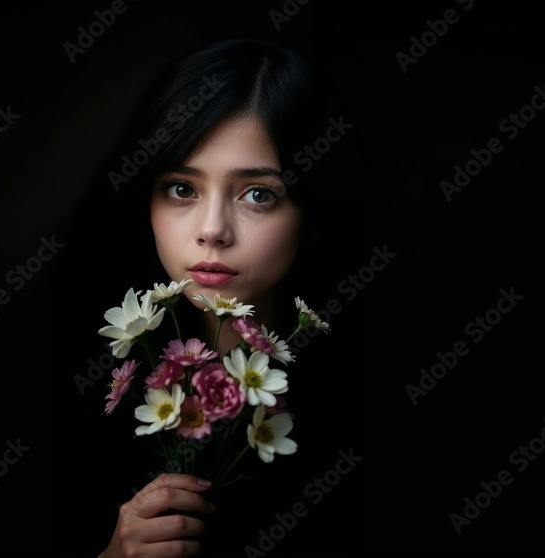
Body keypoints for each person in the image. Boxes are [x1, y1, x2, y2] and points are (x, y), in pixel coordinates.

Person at [54, 36, 371, 557]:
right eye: (182, 188)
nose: (212, 230)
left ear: (314, 214)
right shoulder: (83, 381)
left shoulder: (354, 394)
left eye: (258, 194)